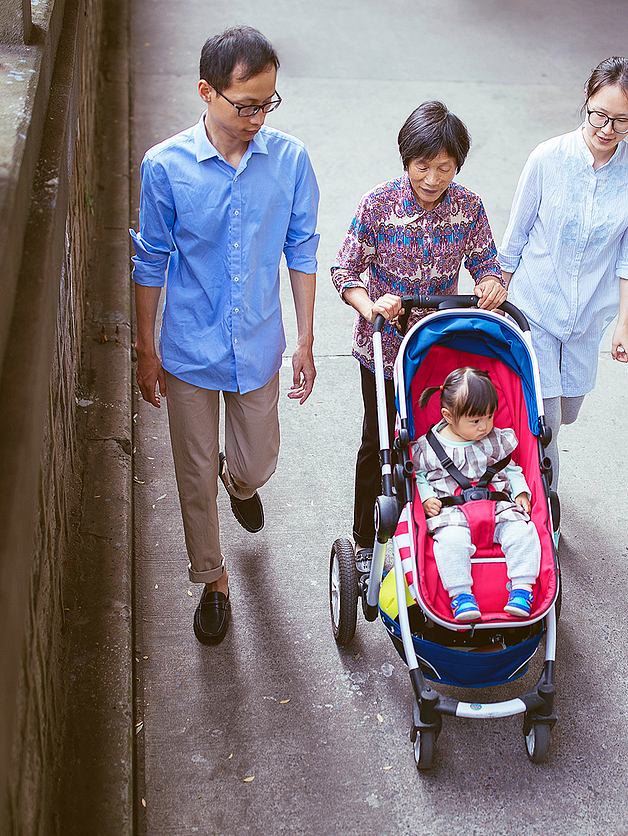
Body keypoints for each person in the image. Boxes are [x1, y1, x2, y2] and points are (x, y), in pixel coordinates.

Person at [130, 26, 319, 645]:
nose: (258, 117)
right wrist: (145, 348)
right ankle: (212, 582)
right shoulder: (164, 167)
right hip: (189, 347)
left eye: (268, 102)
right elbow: (151, 260)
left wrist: (306, 342)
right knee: (190, 474)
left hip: (260, 343)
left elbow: (302, 248)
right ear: (207, 93)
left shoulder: (289, 160)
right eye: (246, 105)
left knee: (258, 462)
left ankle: (236, 481)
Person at [331, 101, 507, 573]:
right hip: (384, 349)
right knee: (380, 442)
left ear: (458, 165)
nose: (432, 178)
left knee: (437, 438)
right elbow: (344, 271)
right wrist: (372, 306)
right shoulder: (378, 204)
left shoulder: (468, 208)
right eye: (422, 166)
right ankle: (365, 540)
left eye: (444, 168)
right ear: (406, 161)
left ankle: (435, 528)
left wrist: (491, 283)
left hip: (437, 346)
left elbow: (487, 263)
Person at [499, 57, 628, 526]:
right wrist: (495, 297)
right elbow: (516, 236)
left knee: (566, 413)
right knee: (543, 421)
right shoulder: (547, 158)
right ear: (585, 103)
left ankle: (525, 477)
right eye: (598, 115)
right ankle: (540, 509)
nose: (607, 128)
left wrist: (623, 324)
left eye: (622, 121)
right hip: (534, 307)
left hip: (590, 315)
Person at [411, 368, 541, 621]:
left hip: (498, 507)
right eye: (475, 421)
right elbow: (419, 475)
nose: (485, 426)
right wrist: (426, 497)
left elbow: (510, 467)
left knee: (523, 534)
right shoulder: (429, 448)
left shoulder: (497, 440)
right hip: (451, 512)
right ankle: (461, 595)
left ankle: (523, 590)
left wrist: (521, 491)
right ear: (448, 416)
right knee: (450, 543)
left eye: (489, 417)